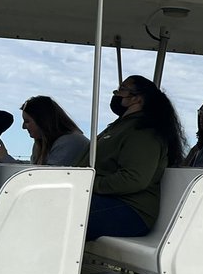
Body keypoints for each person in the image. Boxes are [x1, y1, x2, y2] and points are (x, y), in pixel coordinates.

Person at [77, 74, 184, 241]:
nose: (116, 94)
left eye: (121, 90)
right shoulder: (120, 126)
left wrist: (88, 185)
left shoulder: (144, 131)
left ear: (137, 98)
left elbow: (134, 178)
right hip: (107, 200)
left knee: (61, 214)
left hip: (131, 210)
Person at [0, 96, 90, 166]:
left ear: (42, 121)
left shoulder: (70, 142)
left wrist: (5, 158)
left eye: (27, 121)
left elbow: (43, 178)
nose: (23, 127)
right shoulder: (41, 143)